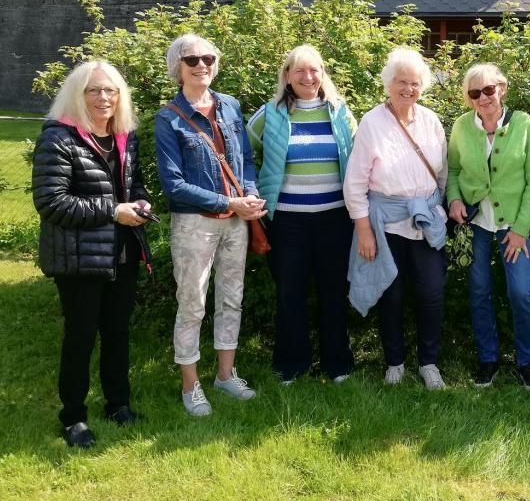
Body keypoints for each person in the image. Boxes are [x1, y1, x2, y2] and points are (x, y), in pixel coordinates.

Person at [32, 60, 151, 448]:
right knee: (80, 337)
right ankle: (73, 418)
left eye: (111, 90)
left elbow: (136, 187)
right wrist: (113, 211)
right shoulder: (58, 138)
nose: (104, 98)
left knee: (117, 333)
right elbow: (51, 202)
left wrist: (141, 205)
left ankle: (118, 404)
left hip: (121, 253)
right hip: (78, 258)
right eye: (94, 90)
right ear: (77, 96)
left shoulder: (123, 136)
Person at [154, 34, 266, 417]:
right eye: (192, 60)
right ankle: (191, 385)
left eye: (208, 58)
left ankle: (225, 374)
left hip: (236, 220)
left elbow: (245, 161)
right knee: (193, 303)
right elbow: (174, 185)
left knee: (232, 297)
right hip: (194, 224)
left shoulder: (231, 107)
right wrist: (227, 202)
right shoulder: (168, 117)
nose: (202, 65)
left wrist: (248, 195)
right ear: (178, 68)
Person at [247, 45, 358, 384]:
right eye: (300, 71)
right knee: (290, 293)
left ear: (323, 74)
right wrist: (253, 193)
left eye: (314, 70)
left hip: (335, 219)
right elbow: (243, 156)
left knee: (333, 291)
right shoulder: (270, 114)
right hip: (287, 221)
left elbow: (359, 158)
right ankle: (291, 364)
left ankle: (337, 364)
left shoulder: (340, 113)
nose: (308, 77)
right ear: (287, 77)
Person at [343, 47, 449, 390]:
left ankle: (429, 363)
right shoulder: (373, 123)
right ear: (389, 84)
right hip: (385, 225)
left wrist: (435, 209)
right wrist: (364, 231)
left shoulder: (431, 121)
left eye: (415, 83)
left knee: (431, 293)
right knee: (392, 295)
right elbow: (355, 183)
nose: (408, 89)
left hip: (425, 222)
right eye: (401, 82)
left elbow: (443, 173)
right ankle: (395, 362)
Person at [447, 63, 530, 391]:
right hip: (476, 223)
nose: (483, 98)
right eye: (475, 93)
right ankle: (488, 360)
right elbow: (453, 171)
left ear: (501, 88)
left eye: (488, 90)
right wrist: (455, 200)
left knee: (520, 292)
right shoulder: (462, 126)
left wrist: (520, 229)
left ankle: (528, 363)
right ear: (468, 98)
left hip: (512, 226)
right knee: (478, 291)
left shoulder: (523, 124)